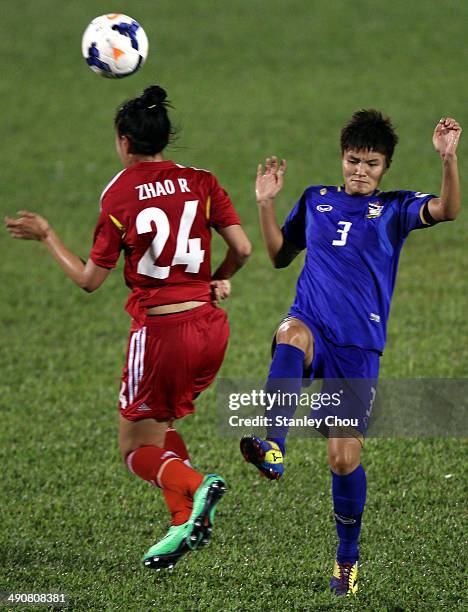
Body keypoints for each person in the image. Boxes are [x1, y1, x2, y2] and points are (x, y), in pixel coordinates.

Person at [5, 85, 251, 571]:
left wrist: (47, 236)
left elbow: (89, 280)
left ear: (124, 141)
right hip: (211, 331)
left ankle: (198, 486)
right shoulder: (202, 180)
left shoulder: (118, 193)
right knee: (163, 429)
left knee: (135, 448)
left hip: (162, 337)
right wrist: (216, 280)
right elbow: (242, 249)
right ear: (165, 138)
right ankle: (183, 525)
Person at [240, 111, 461, 595]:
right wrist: (265, 204)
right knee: (290, 336)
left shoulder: (396, 209)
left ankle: (347, 560)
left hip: (358, 348)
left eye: (372, 164)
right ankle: (272, 444)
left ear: (386, 168)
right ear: (342, 158)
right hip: (312, 322)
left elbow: (447, 209)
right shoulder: (316, 200)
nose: (360, 171)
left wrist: (448, 158)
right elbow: (280, 255)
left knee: (342, 460)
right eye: (353, 160)